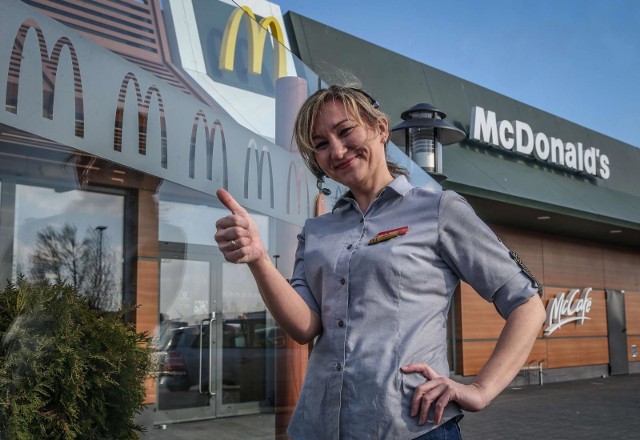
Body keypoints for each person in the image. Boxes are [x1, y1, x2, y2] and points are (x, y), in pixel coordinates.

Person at [214, 85, 546, 440]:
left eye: (345, 131)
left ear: (381, 128)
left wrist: (480, 390)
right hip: (319, 427)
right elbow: (304, 327)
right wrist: (259, 258)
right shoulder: (317, 230)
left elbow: (528, 306)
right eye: (321, 144)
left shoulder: (438, 209)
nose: (337, 150)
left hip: (411, 427)